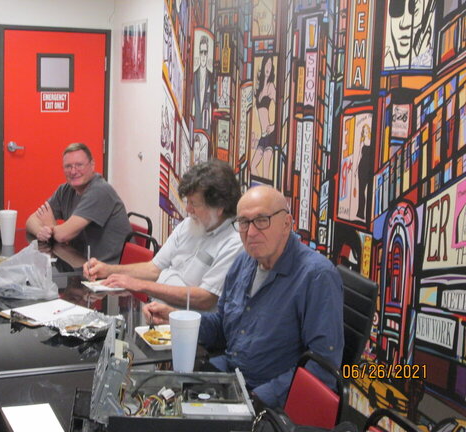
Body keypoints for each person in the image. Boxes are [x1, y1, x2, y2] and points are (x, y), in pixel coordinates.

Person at [144, 185, 344, 408]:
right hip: (230, 377)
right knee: (155, 401)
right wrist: (178, 319)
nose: (251, 233)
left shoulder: (316, 276)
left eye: (261, 220)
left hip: (269, 399)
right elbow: (223, 326)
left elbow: (321, 368)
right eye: (244, 223)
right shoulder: (244, 261)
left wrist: (257, 400)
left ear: (286, 223)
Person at [84, 159, 243, 311]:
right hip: (157, 310)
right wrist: (107, 270)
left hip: (187, 322)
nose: (188, 209)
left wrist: (140, 285)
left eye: (194, 204)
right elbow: (154, 268)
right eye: (187, 202)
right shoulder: (189, 225)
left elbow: (205, 298)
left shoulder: (234, 243)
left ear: (219, 207)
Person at [26, 142, 131, 264]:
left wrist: (50, 226)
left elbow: (63, 235)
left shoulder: (99, 191)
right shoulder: (65, 190)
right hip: (79, 262)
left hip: (108, 269)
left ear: (92, 165)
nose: (73, 171)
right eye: (68, 166)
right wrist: (41, 232)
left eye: (79, 165)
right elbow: (30, 221)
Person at [251, 54, 275, 179]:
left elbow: (280, 107)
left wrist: (274, 126)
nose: (268, 68)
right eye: (266, 64)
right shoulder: (259, 89)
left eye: (270, 65)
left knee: (266, 173)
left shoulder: (271, 87)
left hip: (270, 136)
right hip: (262, 136)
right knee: (252, 166)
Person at [193, 35, 213, 131]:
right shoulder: (194, 76)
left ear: (208, 53)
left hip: (206, 126)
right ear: (199, 53)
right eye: (201, 52)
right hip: (195, 125)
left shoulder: (211, 77)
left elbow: (210, 104)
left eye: (205, 52)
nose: (203, 56)